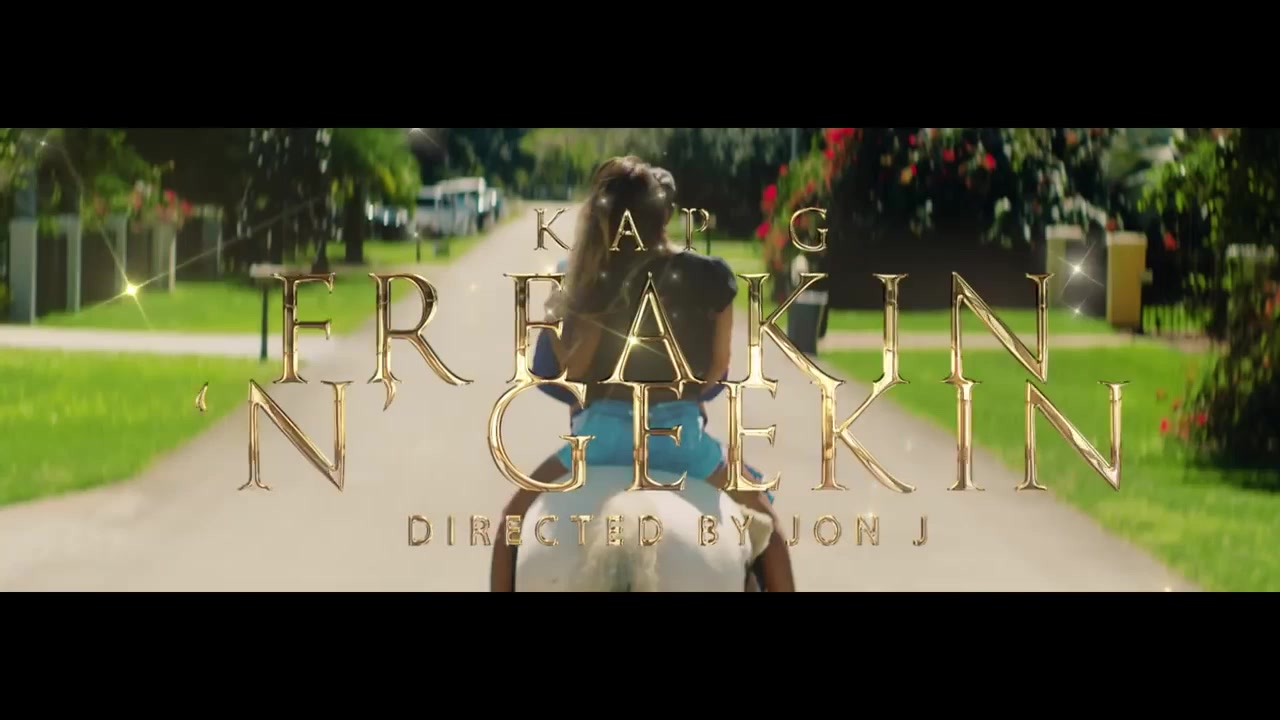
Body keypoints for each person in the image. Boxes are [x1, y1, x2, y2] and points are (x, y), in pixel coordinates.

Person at [491, 156, 795, 592]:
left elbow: (573, 373)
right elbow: (715, 372)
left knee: (510, 522)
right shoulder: (711, 277)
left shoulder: (593, 279)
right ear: (664, 215)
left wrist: (559, 322)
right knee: (771, 529)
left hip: (597, 445)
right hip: (682, 445)